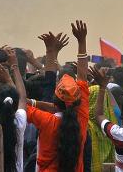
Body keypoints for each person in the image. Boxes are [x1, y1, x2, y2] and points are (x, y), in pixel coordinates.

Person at [25, 22, 90, 172]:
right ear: (78, 101)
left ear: (55, 101)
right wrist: (82, 41)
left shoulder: (46, 120)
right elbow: (82, 75)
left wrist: (50, 52)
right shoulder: (82, 117)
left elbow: (20, 102)